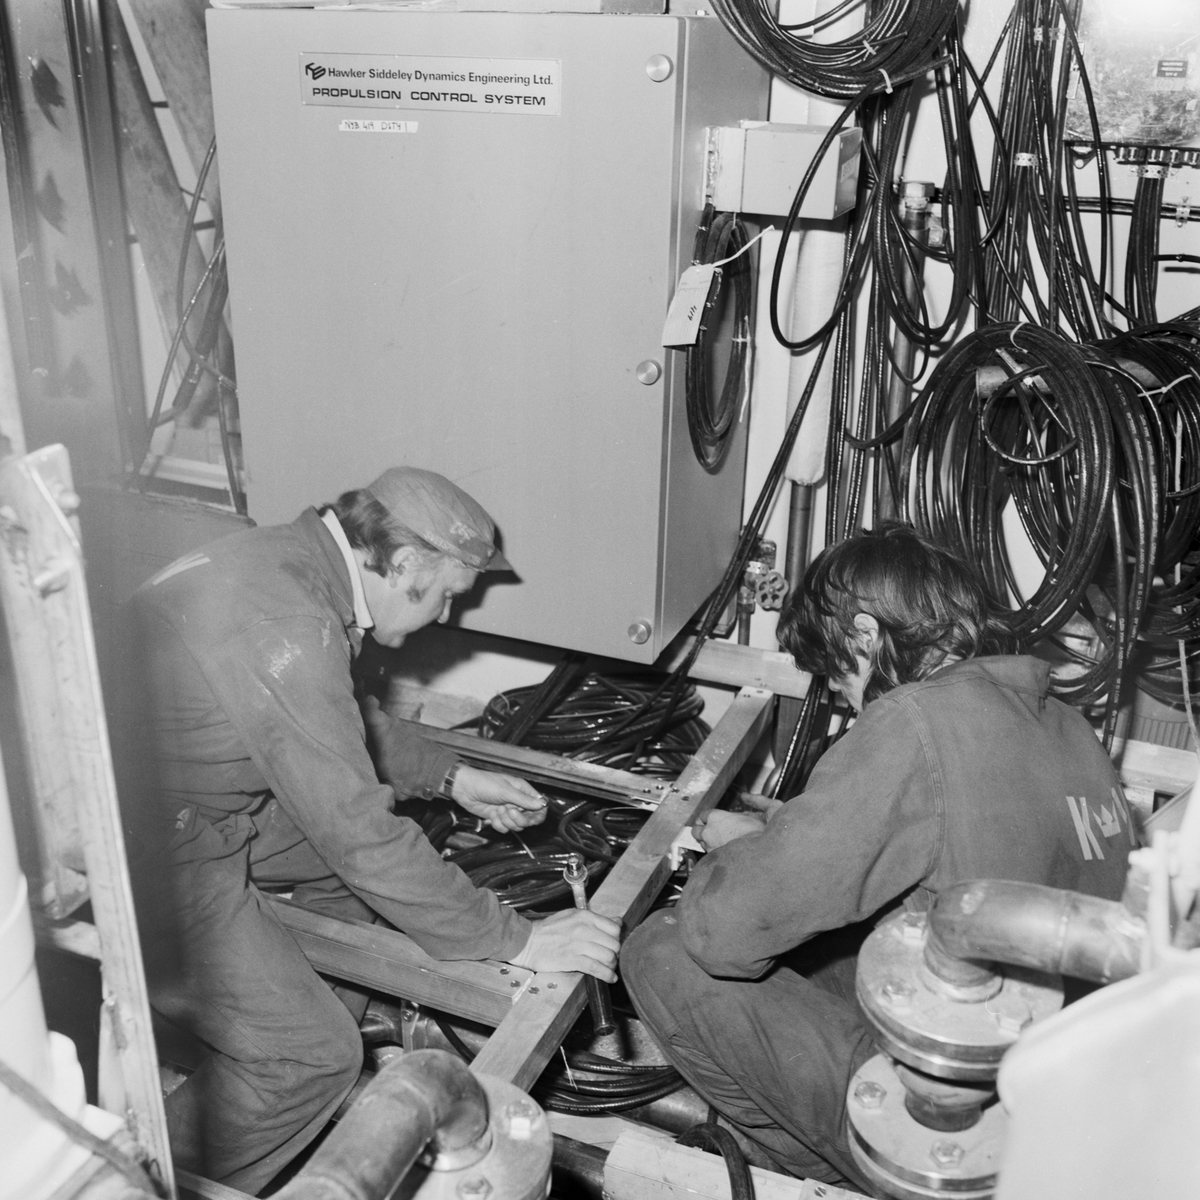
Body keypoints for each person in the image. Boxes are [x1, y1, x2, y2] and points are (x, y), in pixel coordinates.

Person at [118, 467, 620, 1194]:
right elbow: (360, 835)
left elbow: (339, 718)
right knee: (311, 1057)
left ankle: (293, 1044)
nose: (445, 616)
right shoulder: (290, 622)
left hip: (189, 799)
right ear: (405, 562)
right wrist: (521, 939)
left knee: (346, 883)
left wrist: (452, 776)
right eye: (448, 594)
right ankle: (127, 1178)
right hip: (145, 841)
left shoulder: (291, 565)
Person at [620, 522, 1134, 1193]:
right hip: (1065, 1088)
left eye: (838, 675)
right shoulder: (1067, 726)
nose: (842, 697)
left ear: (865, 635)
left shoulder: (914, 720)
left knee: (663, 950)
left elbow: (724, 935)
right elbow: (948, 836)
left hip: (965, 1118)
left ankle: (856, 1171)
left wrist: (735, 857)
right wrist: (787, 833)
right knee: (824, 940)